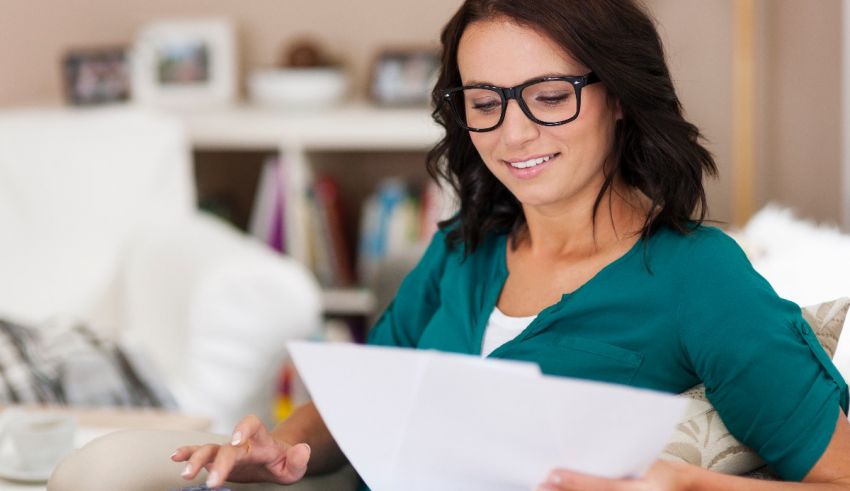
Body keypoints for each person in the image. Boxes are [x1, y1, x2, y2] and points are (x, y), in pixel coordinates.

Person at [173, 1, 850, 489]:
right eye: (484, 102)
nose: (513, 133)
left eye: (549, 96)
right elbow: (362, 400)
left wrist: (688, 485)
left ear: (619, 97)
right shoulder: (461, 249)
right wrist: (282, 447)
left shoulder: (699, 276)